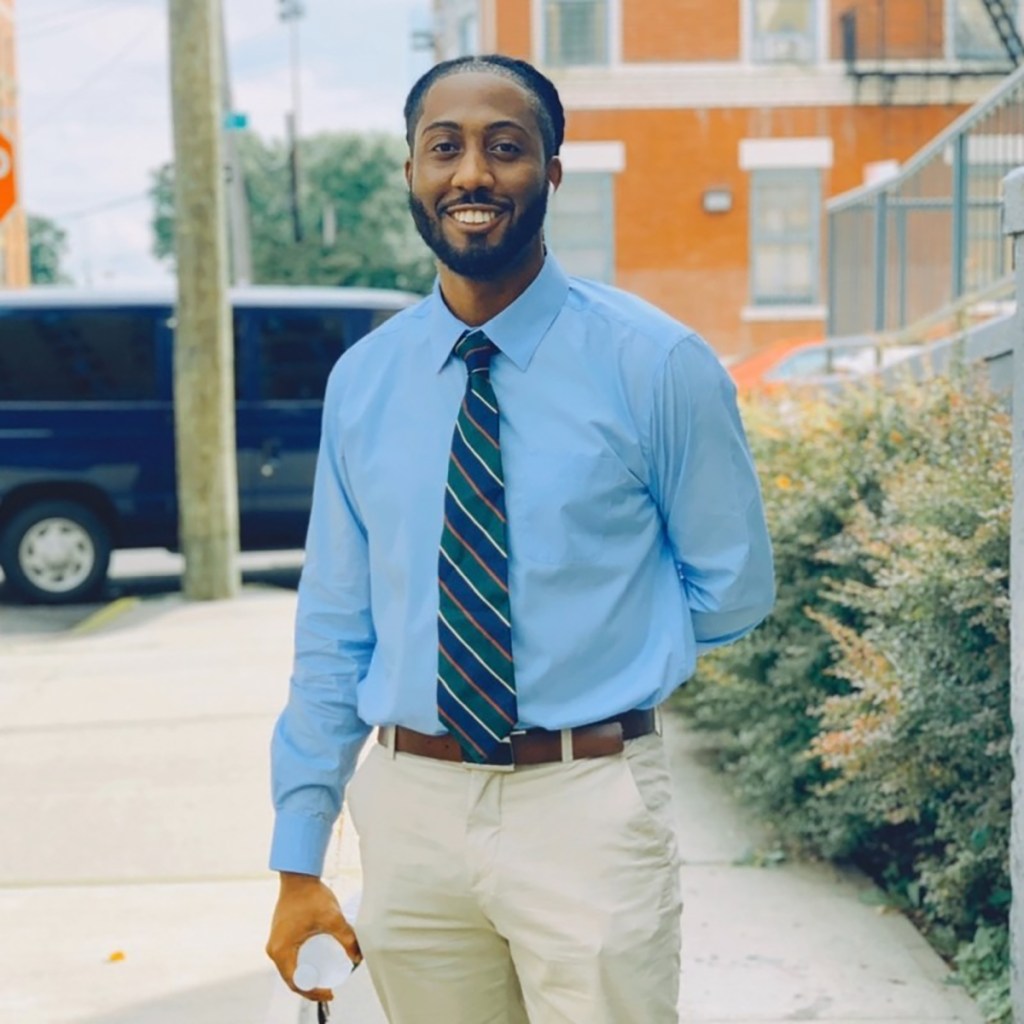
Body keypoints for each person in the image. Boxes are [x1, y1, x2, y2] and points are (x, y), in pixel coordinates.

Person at [266, 54, 775, 1024]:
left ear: (550, 171)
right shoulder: (365, 381)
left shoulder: (656, 364)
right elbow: (336, 627)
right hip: (411, 811)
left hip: (587, 802)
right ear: (411, 171)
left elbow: (733, 585)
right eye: (443, 147)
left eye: (507, 148)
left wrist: (608, 657)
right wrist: (299, 852)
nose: (473, 174)